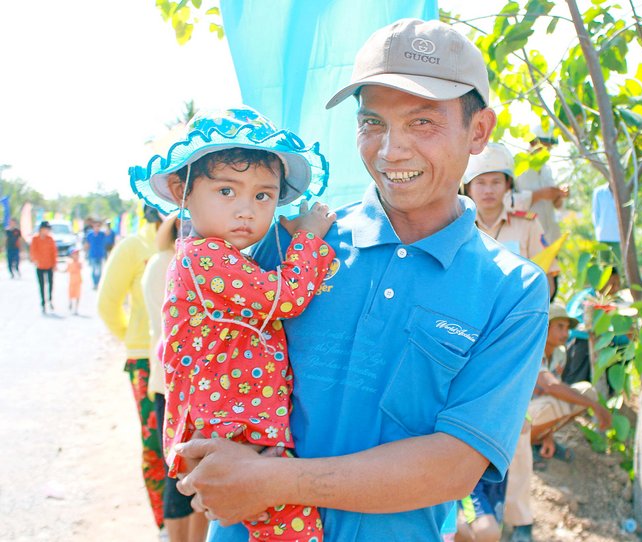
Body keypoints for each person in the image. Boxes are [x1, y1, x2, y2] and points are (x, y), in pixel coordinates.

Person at [170, 19, 549, 542]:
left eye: (421, 122)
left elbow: (453, 466)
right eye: (372, 123)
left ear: (478, 131)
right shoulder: (293, 245)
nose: (391, 150)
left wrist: (272, 481)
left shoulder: (511, 291)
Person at [131, 106, 336, 541]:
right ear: (180, 190)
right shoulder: (205, 257)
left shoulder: (214, 257)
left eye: (263, 196)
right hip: (236, 430)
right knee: (291, 526)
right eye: (227, 191)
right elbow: (286, 296)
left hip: (234, 425)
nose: (246, 210)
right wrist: (310, 238)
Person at [504, 303, 612, 541]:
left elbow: (552, 392)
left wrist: (549, 435)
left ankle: (539, 439)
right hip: (509, 419)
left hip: (533, 414)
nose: (565, 333)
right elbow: (550, 386)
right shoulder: (532, 347)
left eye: (567, 327)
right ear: (546, 327)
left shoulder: (560, 354)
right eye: (560, 327)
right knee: (529, 420)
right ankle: (520, 522)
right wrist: (596, 408)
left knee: (584, 391)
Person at [97, 205, 167, 534]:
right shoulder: (134, 247)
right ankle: (164, 522)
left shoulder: (200, 238)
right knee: (154, 443)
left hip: (188, 360)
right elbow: (107, 304)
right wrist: (133, 338)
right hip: (145, 360)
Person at [142, 213, 209, 542]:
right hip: (172, 387)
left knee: (195, 476)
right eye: (183, 223)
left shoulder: (173, 260)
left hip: (183, 384)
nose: (190, 228)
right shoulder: (170, 263)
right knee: (180, 477)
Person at [462, 142, 558, 299]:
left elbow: (547, 281)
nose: (488, 190)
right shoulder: (458, 227)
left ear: (508, 185)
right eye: (481, 182)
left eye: (496, 182)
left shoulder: (528, 225)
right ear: (468, 188)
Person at [512, 126, 569, 245]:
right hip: (528, 241)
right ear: (533, 143)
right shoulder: (516, 168)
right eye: (545, 145)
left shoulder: (547, 169)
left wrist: (558, 195)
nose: (548, 150)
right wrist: (539, 195)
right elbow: (508, 203)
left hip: (551, 239)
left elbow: (556, 205)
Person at [30, 220, 57, 314]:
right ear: (41, 229)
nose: (47, 231)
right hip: (40, 265)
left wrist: (54, 264)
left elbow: (54, 252)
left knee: (50, 283)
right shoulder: (35, 239)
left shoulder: (50, 239)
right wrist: (35, 260)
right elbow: (33, 250)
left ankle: (50, 300)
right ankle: (43, 302)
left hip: (49, 264)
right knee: (41, 285)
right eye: (45, 229)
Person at [591, 182, 621, 266]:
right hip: (603, 235)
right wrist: (598, 230)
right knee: (603, 266)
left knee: (620, 265)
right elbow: (595, 213)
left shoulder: (622, 190)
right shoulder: (599, 192)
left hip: (618, 236)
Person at [85, 220, 107, 289]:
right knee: (94, 270)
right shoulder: (90, 235)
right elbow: (87, 244)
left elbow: (108, 233)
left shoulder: (102, 234)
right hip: (92, 254)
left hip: (100, 254)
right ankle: (95, 283)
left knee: (100, 270)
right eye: (95, 226)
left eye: (98, 226)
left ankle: (98, 283)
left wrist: (106, 225)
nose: (97, 228)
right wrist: (86, 253)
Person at [66, 247, 83, 315]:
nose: (76, 255)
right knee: (71, 293)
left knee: (77, 294)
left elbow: (81, 267)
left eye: (77, 254)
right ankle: (70, 303)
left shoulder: (79, 263)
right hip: (71, 281)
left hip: (78, 281)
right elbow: (66, 270)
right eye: (74, 254)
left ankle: (76, 308)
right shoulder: (69, 263)